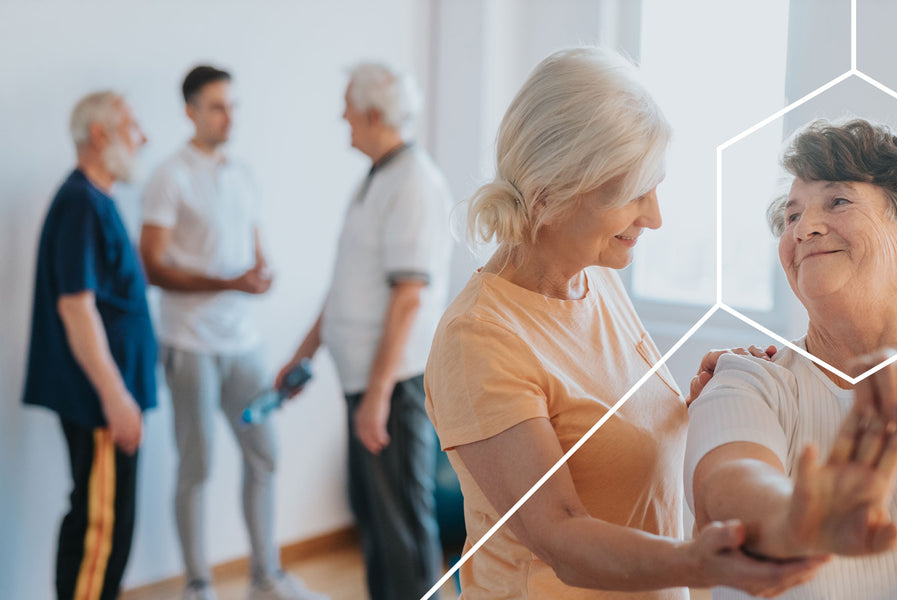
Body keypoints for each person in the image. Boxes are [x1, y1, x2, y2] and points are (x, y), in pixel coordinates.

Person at [422, 47, 828, 599]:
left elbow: (605, 443)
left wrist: (698, 400)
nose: (655, 216)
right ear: (551, 193)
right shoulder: (478, 340)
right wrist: (703, 565)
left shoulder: (598, 279)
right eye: (633, 192)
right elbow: (560, 536)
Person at [686, 119, 897, 598]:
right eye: (792, 216)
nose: (805, 228)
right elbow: (726, 488)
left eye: (837, 201)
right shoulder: (749, 377)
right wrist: (800, 519)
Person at [139, 66, 326, 600]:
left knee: (263, 453)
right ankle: (199, 585)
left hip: (243, 346)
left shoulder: (242, 173)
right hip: (189, 347)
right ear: (190, 112)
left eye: (232, 106)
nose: (229, 117)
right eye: (217, 106)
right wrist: (228, 281)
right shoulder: (169, 176)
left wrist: (261, 273)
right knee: (196, 467)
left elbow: (254, 245)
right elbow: (151, 265)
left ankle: (266, 576)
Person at [276, 62, 452, 600]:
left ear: (374, 114)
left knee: (400, 521)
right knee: (374, 519)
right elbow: (347, 288)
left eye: (348, 107)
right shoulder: (378, 177)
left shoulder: (415, 183)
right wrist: (302, 355)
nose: (342, 117)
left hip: (392, 386)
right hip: (364, 384)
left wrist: (376, 397)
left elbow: (408, 297)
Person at [23, 91, 156, 600]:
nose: (143, 136)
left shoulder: (97, 198)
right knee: (102, 529)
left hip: (109, 398)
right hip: (101, 402)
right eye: (133, 125)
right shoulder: (81, 202)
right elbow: (76, 309)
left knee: (103, 521)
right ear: (100, 135)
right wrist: (117, 399)